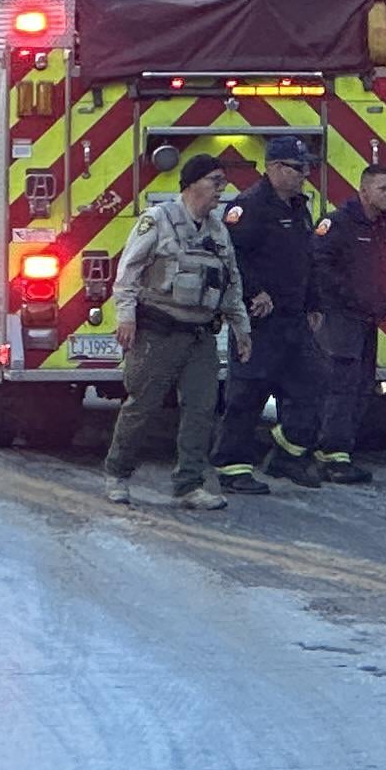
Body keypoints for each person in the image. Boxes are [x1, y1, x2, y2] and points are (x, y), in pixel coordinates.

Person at [107, 156, 246, 512]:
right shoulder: (157, 221)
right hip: (158, 332)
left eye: (223, 182)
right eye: (215, 181)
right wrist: (126, 318)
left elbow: (231, 284)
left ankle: (189, 485)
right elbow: (128, 274)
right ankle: (118, 474)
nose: (221, 189)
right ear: (192, 184)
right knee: (143, 406)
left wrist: (241, 329)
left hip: (199, 334)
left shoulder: (217, 231)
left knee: (201, 409)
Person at [217, 142, 330, 490]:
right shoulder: (248, 207)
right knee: (247, 394)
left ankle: (287, 457)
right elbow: (231, 257)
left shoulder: (298, 207)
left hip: (295, 317)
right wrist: (254, 291)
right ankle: (233, 468)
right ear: (276, 168)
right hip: (260, 319)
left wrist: (314, 304)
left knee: (313, 385)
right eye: (298, 168)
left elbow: (306, 259)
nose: (304, 175)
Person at [309, 161, 386, 483]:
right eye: (383, 189)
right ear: (363, 191)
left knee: (361, 385)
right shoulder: (337, 225)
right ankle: (332, 454)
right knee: (340, 385)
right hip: (340, 318)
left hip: (369, 320)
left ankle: (339, 449)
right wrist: (346, 296)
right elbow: (318, 264)